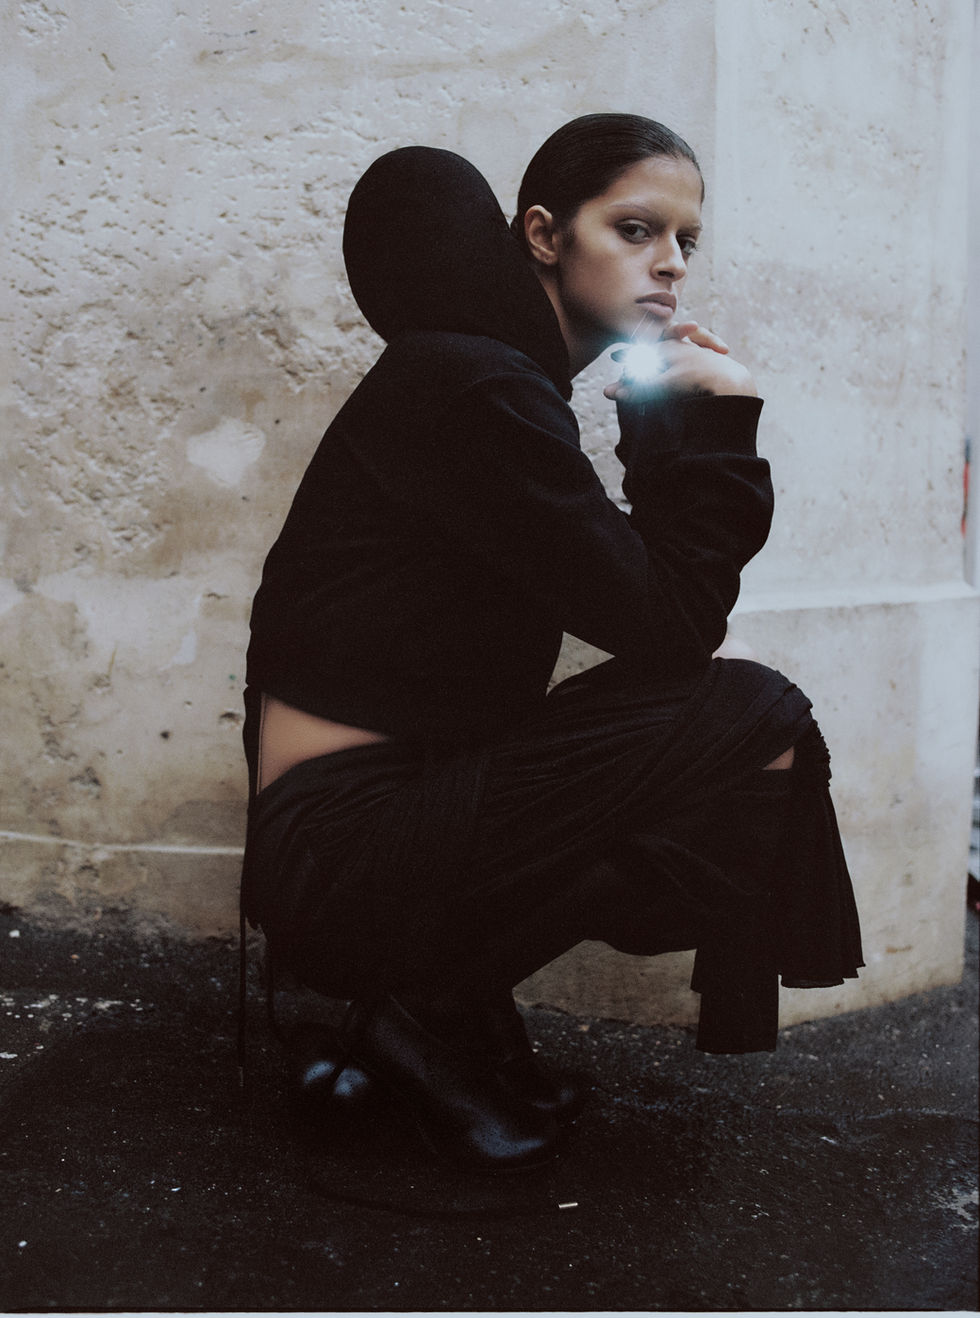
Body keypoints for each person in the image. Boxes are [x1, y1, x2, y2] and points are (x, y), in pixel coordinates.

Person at [240, 113, 863, 1171]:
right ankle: (421, 1011)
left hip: (389, 818)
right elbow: (671, 629)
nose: (671, 263)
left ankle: (445, 1006)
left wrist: (663, 426)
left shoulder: (489, 382)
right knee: (754, 718)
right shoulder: (474, 387)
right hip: (337, 851)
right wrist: (717, 426)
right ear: (542, 234)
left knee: (750, 751)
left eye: (686, 241)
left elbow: (647, 613)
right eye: (635, 229)